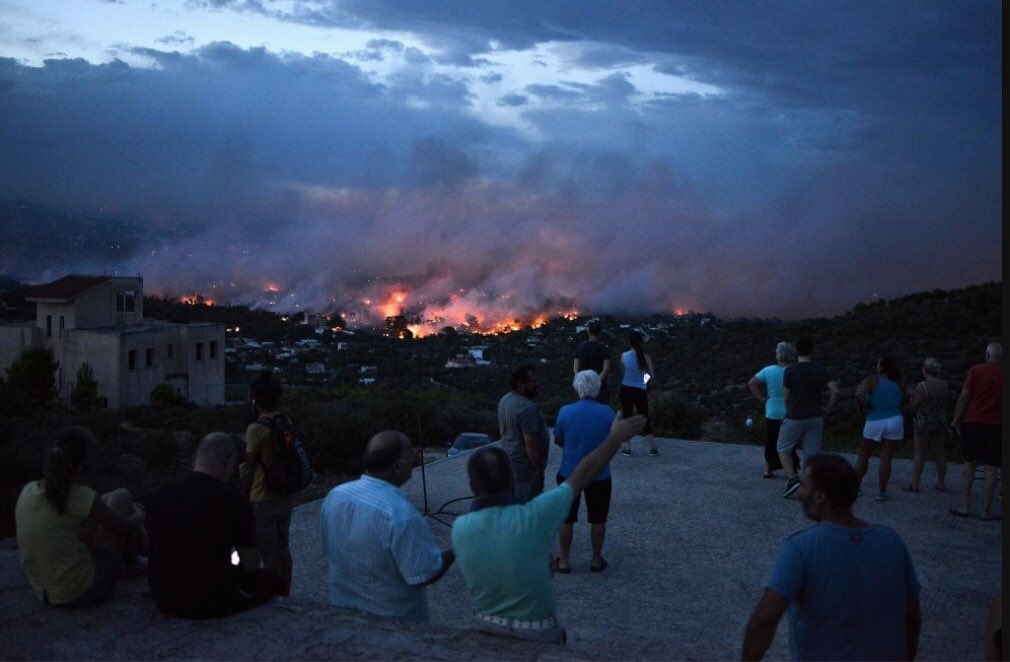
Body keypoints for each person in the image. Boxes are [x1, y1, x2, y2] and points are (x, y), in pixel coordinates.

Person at [452, 413, 645, 644]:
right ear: (511, 479)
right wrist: (615, 438)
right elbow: (583, 474)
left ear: (473, 486)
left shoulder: (459, 529)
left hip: (484, 629)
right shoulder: (536, 515)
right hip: (537, 633)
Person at [741, 454, 921, 661]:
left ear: (820, 497)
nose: (799, 494)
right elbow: (913, 616)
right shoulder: (892, 542)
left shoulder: (800, 548)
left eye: (804, 486)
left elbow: (765, 619)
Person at [320, 431, 454, 622]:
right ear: (398, 466)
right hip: (395, 623)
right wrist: (456, 549)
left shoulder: (336, 496)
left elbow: (329, 551)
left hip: (342, 613)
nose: (415, 459)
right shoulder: (401, 515)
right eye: (410, 455)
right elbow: (424, 574)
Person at [146, 433, 284, 618]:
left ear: (196, 459)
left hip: (163, 597)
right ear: (229, 462)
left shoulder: (161, 494)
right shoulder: (234, 501)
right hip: (207, 601)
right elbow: (250, 563)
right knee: (274, 580)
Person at [15, 426, 147, 608]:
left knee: (111, 499)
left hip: (45, 592)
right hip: (81, 592)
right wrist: (141, 512)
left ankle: (134, 563)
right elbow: (127, 526)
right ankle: (132, 565)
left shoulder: (29, 489)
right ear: (83, 463)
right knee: (122, 496)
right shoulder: (81, 496)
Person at [553, 370, 616, 573]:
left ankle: (564, 561)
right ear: (597, 388)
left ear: (577, 387)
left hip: (569, 472)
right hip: (600, 474)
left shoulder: (565, 411)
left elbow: (559, 440)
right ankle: (596, 560)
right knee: (598, 518)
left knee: (566, 518)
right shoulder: (608, 412)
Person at [241, 370, 293, 595]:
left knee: (268, 554)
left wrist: (242, 497)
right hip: (284, 496)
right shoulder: (286, 422)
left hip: (263, 498)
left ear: (254, 398)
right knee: (283, 549)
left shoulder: (257, 428)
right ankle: (285, 592)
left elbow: (250, 466)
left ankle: (274, 598)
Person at [778, 336, 838, 498]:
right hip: (815, 417)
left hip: (795, 415)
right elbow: (835, 390)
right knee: (811, 455)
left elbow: (786, 396)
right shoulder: (820, 369)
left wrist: (787, 412)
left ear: (796, 351)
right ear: (812, 350)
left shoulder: (790, 371)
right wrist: (827, 408)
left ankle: (792, 480)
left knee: (783, 449)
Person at [950, 342, 1002, 520]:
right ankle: (986, 511)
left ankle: (964, 506)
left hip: (973, 422)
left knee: (969, 464)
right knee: (991, 468)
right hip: (996, 426)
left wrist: (956, 419)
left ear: (987, 355)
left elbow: (964, 397)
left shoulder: (976, 370)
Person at [854, 354, 905, 502]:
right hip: (895, 419)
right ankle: (881, 492)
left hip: (875, 419)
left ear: (882, 366)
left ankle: (856, 488)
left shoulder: (872, 380)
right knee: (886, 457)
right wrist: (907, 409)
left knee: (864, 456)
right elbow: (916, 395)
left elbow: (858, 394)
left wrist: (864, 407)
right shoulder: (899, 381)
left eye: (878, 364)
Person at [498, 364, 550, 503]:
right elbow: (531, 444)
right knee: (528, 509)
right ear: (520, 384)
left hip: (509, 462)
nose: (538, 385)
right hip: (525, 468)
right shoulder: (527, 409)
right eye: (533, 382)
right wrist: (538, 469)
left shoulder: (504, 400)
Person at [748, 342, 800, 479]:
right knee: (790, 443)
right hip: (790, 412)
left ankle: (768, 470)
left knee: (771, 440)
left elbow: (752, 383)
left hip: (772, 411)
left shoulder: (768, 370)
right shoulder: (795, 371)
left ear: (779, 355)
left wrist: (762, 399)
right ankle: (792, 470)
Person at [905, 357, 950, 493]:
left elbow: (915, 404)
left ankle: (915, 484)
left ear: (925, 370)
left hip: (924, 422)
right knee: (940, 453)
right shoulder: (945, 385)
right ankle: (941, 483)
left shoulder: (922, 386)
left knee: (920, 454)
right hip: (940, 421)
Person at [617, 330, 658, 455]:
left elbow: (623, 373)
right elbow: (652, 374)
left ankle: (627, 448)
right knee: (644, 417)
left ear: (629, 342)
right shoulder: (646, 356)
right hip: (640, 389)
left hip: (626, 389)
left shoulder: (624, 356)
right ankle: (653, 448)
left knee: (627, 417)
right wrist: (643, 382)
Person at [574, 322, 612, 405]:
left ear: (589, 332)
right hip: (600, 388)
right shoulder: (603, 348)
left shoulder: (580, 347)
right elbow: (606, 369)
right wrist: (596, 382)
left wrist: (580, 382)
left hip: (583, 388)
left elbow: (575, 369)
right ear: (600, 333)